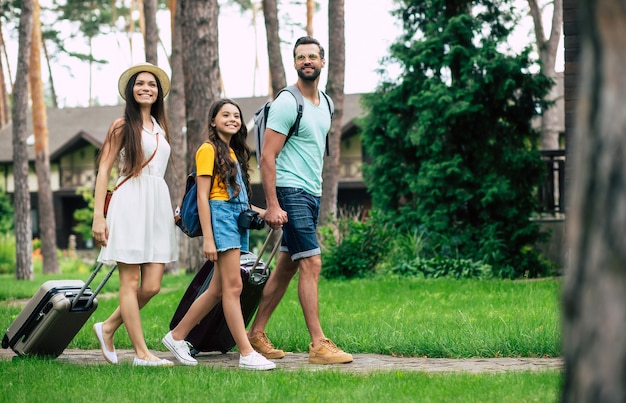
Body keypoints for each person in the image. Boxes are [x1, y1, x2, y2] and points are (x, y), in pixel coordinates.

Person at [246, 36, 353, 364]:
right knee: (312, 262)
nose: (307, 61)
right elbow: (267, 156)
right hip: (290, 192)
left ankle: (256, 333)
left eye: (312, 56)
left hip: (312, 193)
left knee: (287, 265)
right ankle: (318, 344)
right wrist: (274, 204)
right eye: (300, 57)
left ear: (322, 62)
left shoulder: (327, 104)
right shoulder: (287, 103)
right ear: (295, 63)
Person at [162, 99, 276, 370]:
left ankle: (176, 336)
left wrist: (267, 213)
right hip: (221, 220)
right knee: (234, 287)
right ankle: (247, 354)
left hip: (236, 220)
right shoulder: (208, 149)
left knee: (217, 289)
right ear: (213, 121)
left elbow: (238, 201)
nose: (233, 119)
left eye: (236, 115)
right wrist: (210, 239)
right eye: (226, 115)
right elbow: (204, 197)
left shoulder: (233, 152)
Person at [92, 62, 178, 367]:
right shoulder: (121, 125)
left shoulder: (160, 128)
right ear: (132, 90)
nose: (146, 88)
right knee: (129, 281)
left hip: (156, 205)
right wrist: (98, 216)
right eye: (140, 84)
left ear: (158, 93)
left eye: (152, 85)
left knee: (152, 284)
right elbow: (104, 169)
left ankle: (107, 327)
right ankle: (142, 354)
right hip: (129, 202)